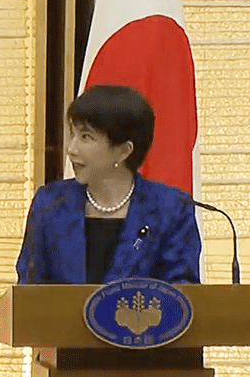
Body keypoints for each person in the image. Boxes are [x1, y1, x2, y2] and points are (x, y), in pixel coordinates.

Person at [15, 84, 200, 285]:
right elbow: (29, 293)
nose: (71, 149)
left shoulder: (170, 210)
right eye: (73, 134)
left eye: (86, 137)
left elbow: (181, 295)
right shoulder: (50, 205)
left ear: (123, 151)